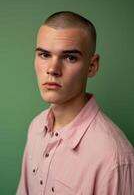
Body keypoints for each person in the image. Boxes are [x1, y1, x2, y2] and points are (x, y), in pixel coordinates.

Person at [16, 11, 134, 195]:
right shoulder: (36, 127)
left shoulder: (114, 158)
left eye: (70, 57)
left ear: (92, 66)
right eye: (44, 55)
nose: (53, 69)